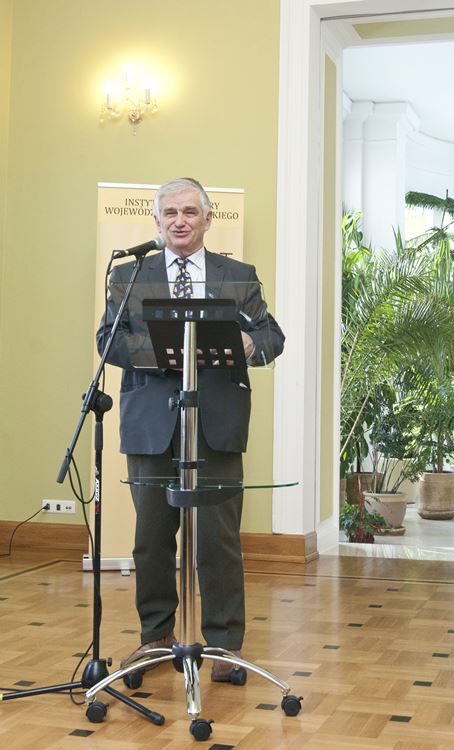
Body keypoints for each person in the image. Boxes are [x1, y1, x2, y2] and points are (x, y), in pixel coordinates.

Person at [96, 177, 285, 682]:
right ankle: (156, 635)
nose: (180, 221)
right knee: (151, 537)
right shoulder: (129, 276)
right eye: (170, 213)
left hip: (216, 420)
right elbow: (109, 341)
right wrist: (172, 353)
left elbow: (272, 335)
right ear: (157, 221)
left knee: (217, 539)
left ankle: (223, 645)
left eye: (189, 212)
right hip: (151, 422)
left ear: (207, 219)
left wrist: (249, 344)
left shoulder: (237, 275)